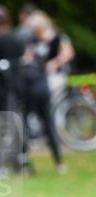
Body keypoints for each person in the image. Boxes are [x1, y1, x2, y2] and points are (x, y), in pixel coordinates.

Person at [20, 11, 67, 173]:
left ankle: (58, 161)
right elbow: (27, 56)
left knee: (47, 121)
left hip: (50, 78)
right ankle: (26, 158)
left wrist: (54, 63)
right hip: (39, 81)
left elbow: (67, 53)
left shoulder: (57, 37)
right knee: (35, 121)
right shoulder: (32, 40)